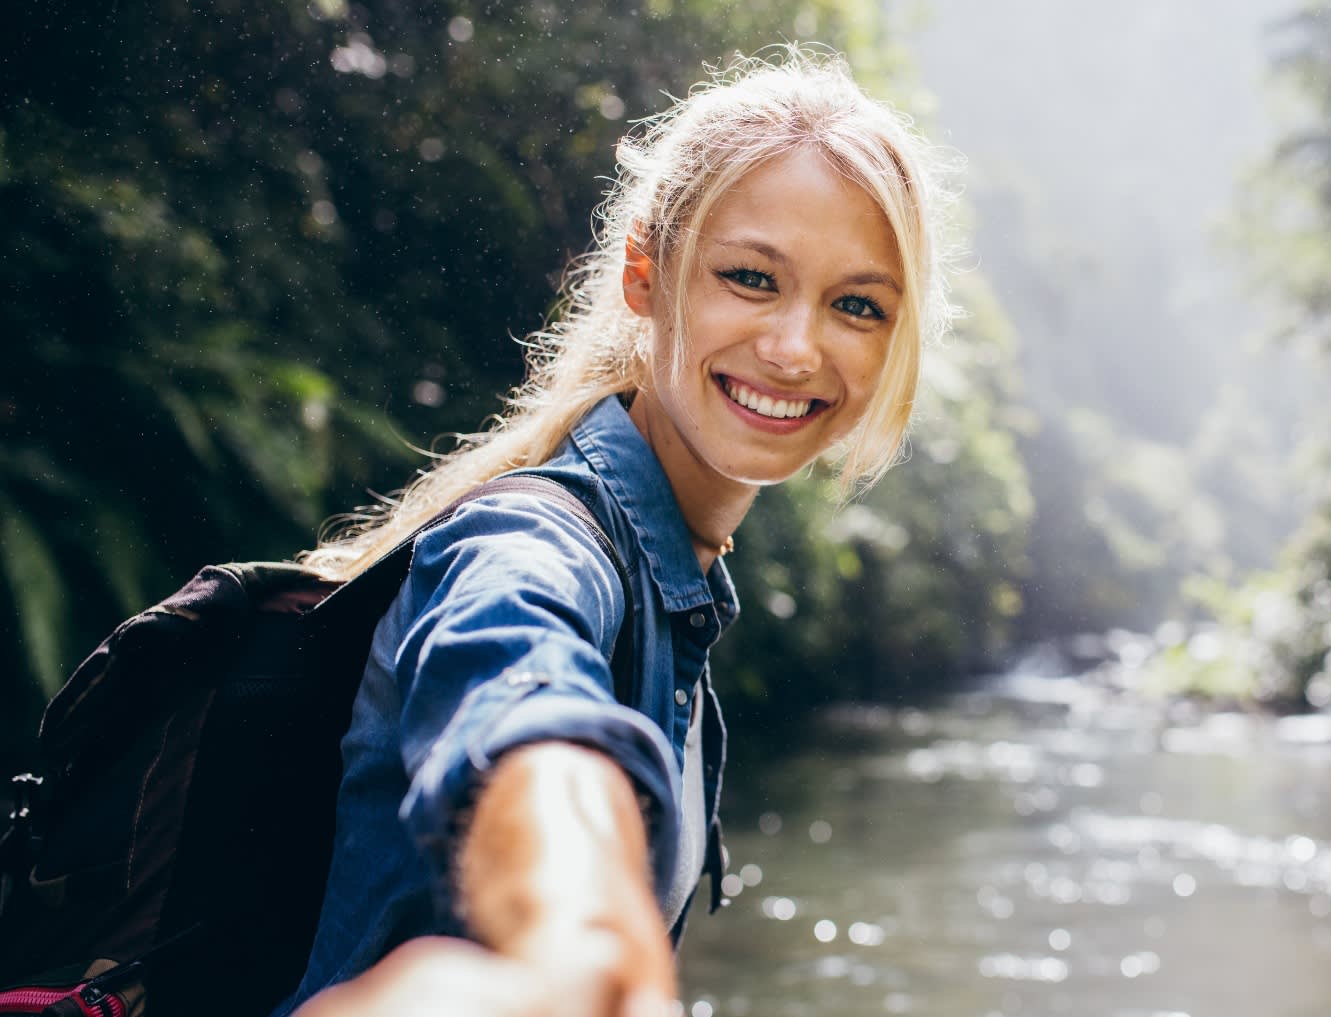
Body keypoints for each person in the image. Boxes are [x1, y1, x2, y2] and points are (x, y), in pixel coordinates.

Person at [270, 45, 955, 1017]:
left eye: (855, 305)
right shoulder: (531, 540)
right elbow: (517, 694)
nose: (797, 346)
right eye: (752, 278)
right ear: (646, 272)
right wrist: (578, 929)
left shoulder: (681, 579)